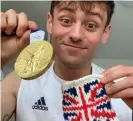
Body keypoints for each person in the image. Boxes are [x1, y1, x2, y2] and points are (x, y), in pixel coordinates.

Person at [1, 1, 133, 121]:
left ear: (105, 33)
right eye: (66, 20)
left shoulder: (124, 92)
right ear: (50, 23)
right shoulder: (18, 82)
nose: (76, 35)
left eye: (91, 25)